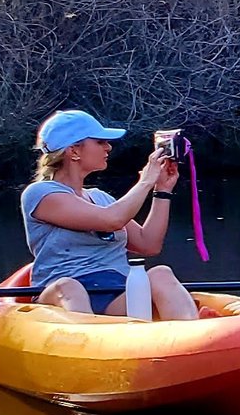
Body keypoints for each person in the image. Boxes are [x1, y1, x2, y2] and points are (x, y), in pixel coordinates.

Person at [21, 109, 200, 319]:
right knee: (70, 288)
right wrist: (145, 181)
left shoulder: (101, 198)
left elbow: (148, 243)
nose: (108, 147)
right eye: (99, 142)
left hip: (115, 292)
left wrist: (162, 191)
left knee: (161, 274)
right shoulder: (40, 193)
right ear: (73, 151)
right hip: (63, 297)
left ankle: (194, 341)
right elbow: (111, 220)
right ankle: (87, 345)